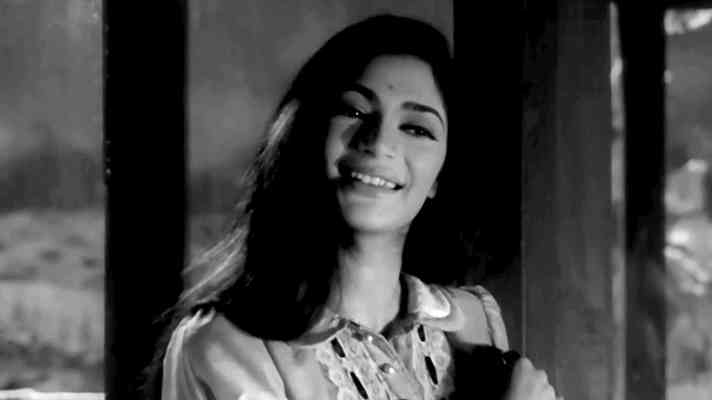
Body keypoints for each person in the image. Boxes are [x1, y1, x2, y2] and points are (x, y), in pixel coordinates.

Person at [149, 14, 561, 400]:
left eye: (417, 128)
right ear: (307, 133)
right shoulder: (224, 345)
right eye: (354, 110)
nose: (379, 142)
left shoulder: (471, 322)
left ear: (439, 175)